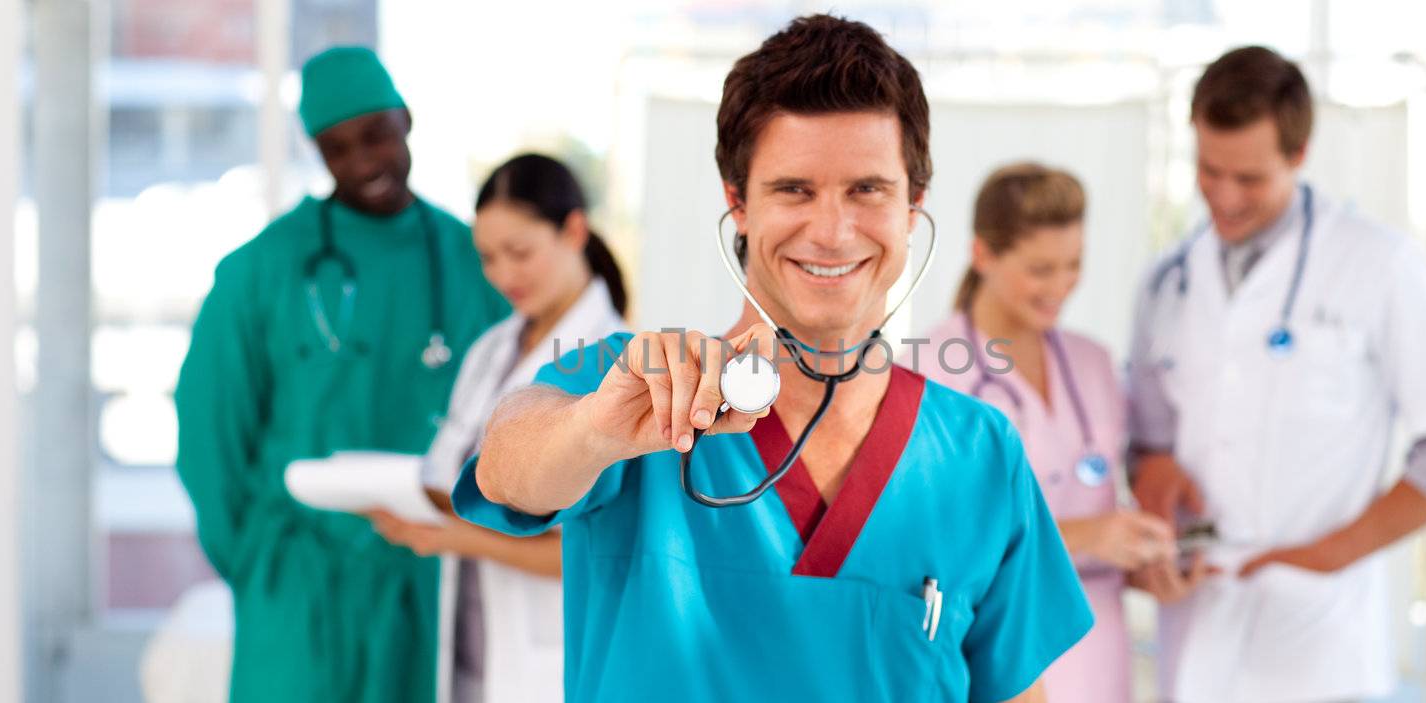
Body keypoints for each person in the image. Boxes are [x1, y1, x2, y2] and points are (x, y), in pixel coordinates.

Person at [452, 15, 1091, 703]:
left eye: (867, 189)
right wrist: (592, 431)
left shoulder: (980, 453)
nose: (832, 230)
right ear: (738, 202)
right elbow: (508, 463)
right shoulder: (638, 387)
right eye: (794, 189)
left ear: (913, 208)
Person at [1126, 46, 1426, 702]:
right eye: (1210, 172)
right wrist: (1156, 484)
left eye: (1250, 178)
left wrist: (1329, 554)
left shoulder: (1377, 264)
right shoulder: (1168, 280)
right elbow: (1147, 444)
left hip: (1319, 637)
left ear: (1298, 155)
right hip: (1199, 623)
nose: (1225, 198)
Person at [174, 46, 508, 702]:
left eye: (377, 136)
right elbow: (209, 432)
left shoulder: (474, 262)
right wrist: (252, 560)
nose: (364, 162)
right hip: (298, 578)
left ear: (406, 119)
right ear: (317, 153)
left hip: (426, 569)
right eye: (337, 148)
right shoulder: (260, 270)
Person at [367, 153, 629, 703]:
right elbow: (455, 480)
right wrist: (400, 497)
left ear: (574, 230)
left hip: (544, 664)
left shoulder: (614, 366)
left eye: (520, 253)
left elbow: (591, 547)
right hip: (470, 652)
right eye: (488, 258)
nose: (504, 275)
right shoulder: (492, 349)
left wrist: (456, 536)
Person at [907, 163, 1173, 703]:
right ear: (983, 254)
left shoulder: (1094, 364)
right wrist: (1089, 536)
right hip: (994, 665)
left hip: (1098, 657)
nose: (1061, 286)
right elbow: (926, 544)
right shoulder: (927, 372)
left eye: (1073, 266)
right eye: (1040, 269)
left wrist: (1148, 561)